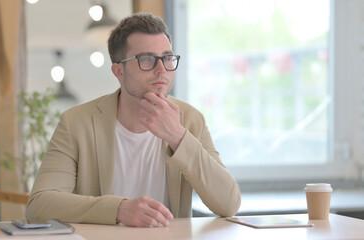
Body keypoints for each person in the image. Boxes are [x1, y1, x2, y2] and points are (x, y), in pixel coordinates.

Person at [26, 13, 241, 228]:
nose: (161, 70)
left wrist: (178, 136)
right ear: (118, 71)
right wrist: (118, 209)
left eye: (167, 57)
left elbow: (229, 204)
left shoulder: (191, 120)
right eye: (146, 59)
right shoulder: (76, 123)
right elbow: (39, 206)